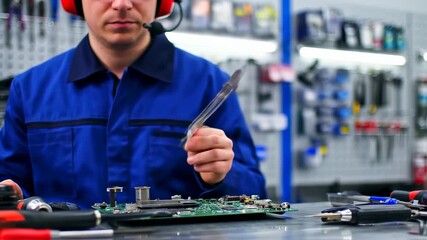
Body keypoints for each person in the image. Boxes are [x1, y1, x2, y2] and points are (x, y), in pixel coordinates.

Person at [0, 0, 266, 209]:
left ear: (162, 3)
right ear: (76, 2)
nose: (121, 4)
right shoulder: (31, 89)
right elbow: (10, 184)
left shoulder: (208, 85)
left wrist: (222, 177)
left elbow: (255, 193)